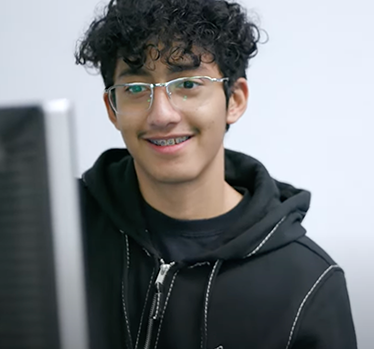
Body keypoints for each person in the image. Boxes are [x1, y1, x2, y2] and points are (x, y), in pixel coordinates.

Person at [75, 0, 357, 348]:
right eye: (136, 89)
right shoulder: (53, 230)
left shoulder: (308, 283)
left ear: (234, 99)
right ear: (112, 108)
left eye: (188, 84)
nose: (161, 115)